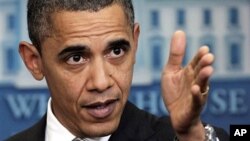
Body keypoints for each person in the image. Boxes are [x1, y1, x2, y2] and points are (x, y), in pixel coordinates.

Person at [6, 0, 229, 141]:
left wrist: (192, 137)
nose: (102, 82)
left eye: (116, 51)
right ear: (34, 61)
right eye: (76, 58)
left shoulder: (183, 137)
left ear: (135, 42)